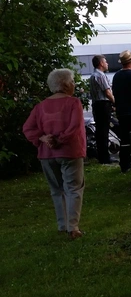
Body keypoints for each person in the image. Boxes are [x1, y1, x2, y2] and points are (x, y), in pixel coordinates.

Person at [23, 68, 87, 240]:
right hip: (70, 151)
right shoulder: (73, 103)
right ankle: (73, 227)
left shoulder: (40, 106)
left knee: (57, 190)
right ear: (65, 84)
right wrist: (59, 140)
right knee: (73, 188)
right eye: (72, 81)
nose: (74, 84)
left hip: (46, 154)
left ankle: (62, 225)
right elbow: (74, 128)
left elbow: (27, 128)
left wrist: (43, 138)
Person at [88, 54, 115, 164]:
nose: (107, 63)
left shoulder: (93, 75)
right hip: (103, 105)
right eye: (105, 61)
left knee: (100, 131)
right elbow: (107, 92)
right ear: (101, 63)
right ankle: (105, 158)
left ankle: (102, 156)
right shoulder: (100, 75)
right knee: (104, 131)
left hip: (97, 105)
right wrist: (114, 102)